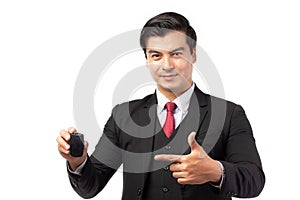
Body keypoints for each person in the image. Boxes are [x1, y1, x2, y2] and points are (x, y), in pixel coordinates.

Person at [57, 12, 265, 200]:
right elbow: (90, 187)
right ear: (147, 59)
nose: (167, 65)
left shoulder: (229, 114)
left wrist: (216, 171)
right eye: (156, 55)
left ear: (193, 54)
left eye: (176, 54)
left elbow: (254, 181)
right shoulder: (124, 115)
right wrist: (78, 160)